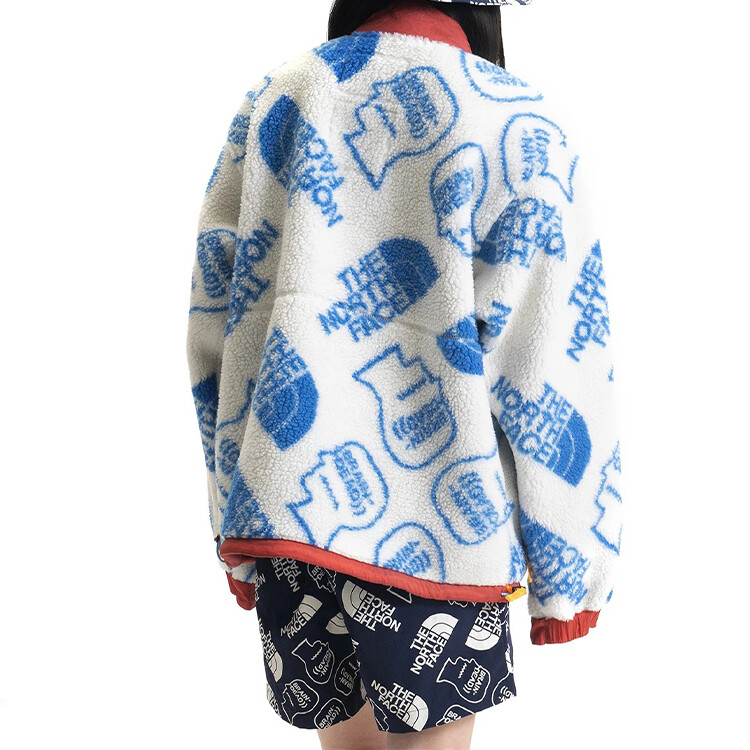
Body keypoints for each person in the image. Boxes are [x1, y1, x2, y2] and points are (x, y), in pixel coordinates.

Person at [185, 0, 624, 747]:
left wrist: (232, 506)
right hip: (445, 528)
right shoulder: (520, 122)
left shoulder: (278, 97)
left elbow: (216, 320)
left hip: (289, 511)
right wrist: (570, 573)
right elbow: (551, 361)